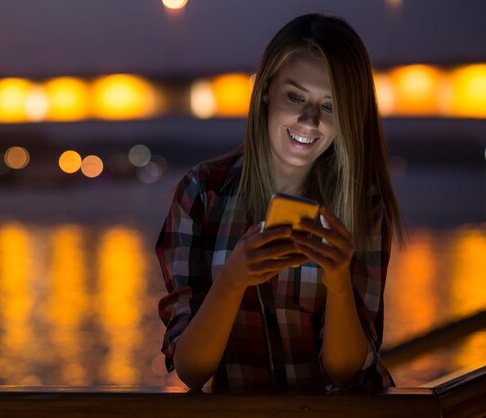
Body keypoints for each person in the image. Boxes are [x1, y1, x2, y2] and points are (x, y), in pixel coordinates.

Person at [156, 13, 405, 392]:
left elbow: (346, 375)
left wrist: (339, 281)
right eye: (295, 96)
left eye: (329, 106)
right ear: (267, 90)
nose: (308, 121)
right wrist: (232, 280)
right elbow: (192, 370)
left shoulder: (361, 205)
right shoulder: (202, 193)